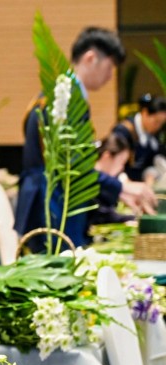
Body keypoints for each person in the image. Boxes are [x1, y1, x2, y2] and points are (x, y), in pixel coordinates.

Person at [14, 26, 156, 252]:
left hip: (53, 198)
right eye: (110, 67)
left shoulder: (61, 93)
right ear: (91, 58)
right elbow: (71, 166)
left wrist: (120, 189)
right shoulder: (65, 99)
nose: (110, 77)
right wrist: (121, 187)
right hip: (52, 205)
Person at [112, 93, 166, 183]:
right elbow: (113, 163)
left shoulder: (154, 134)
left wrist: (150, 174)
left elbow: (153, 160)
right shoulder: (123, 131)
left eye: (161, 123)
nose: (158, 126)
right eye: (156, 122)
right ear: (145, 113)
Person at [89, 133, 135, 226]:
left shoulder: (107, 182)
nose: (122, 168)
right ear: (107, 156)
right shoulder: (93, 181)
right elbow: (103, 214)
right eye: (122, 162)